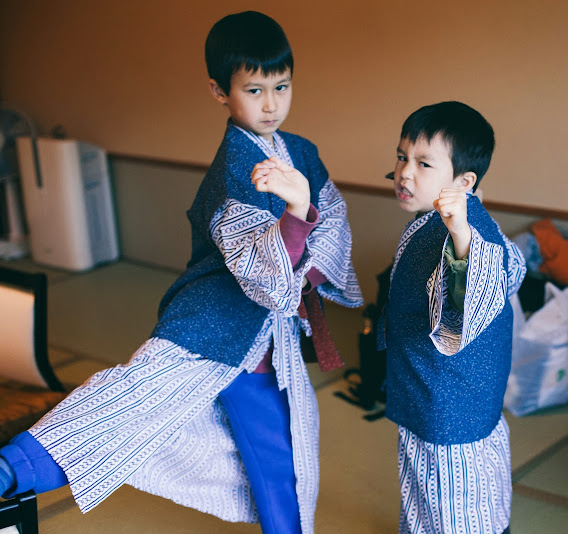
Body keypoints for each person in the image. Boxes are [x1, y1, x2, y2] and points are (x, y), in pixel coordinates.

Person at [0, 11, 362, 534]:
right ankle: (11, 469)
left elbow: (333, 221)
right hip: (208, 325)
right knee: (125, 408)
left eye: (281, 87)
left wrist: (305, 254)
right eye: (254, 90)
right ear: (220, 92)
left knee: (280, 464)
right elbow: (263, 273)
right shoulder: (233, 169)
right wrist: (296, 214)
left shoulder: (300, 151)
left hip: (266, 345)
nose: (271, 104)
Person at [381, 101, 526, 534]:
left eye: (424, 163)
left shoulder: (464, 233)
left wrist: (461, 237)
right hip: (438, 389)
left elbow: (465, 305)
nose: (405, 173)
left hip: (448, 400)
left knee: (453, 506)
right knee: (436, 498)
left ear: (465, 182)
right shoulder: (444, 220)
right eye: (402, 157)